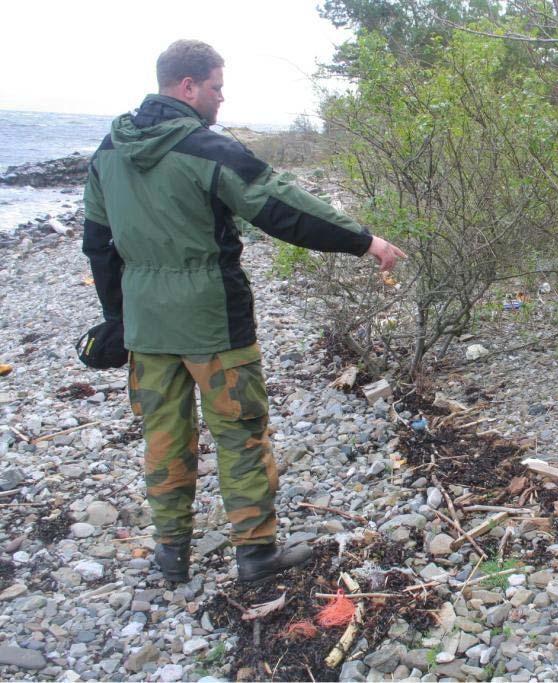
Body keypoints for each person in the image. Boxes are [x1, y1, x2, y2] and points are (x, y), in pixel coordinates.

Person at [82, 39, 405, 583]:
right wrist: (365, 241)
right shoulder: (208, 151)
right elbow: (283, 208)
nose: (221, 98)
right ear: (188, 86)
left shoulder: (108, 151)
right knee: (241, 433)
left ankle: (171, 555)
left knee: (163, 438)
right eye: (215, 87)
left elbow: (97, 244)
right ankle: (256, 555)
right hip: (215, 321)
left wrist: (119, 317)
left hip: (146, 324)